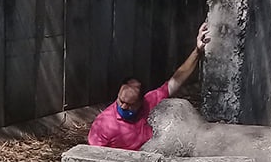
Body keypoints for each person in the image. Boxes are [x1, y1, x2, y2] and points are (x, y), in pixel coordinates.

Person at [87, 21, 211, 150]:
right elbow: (92, 156)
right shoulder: (103, 124)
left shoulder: (150, 102)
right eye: (121, 101)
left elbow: (177, 80)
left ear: (141, 101)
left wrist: (197, 51)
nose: (123, 107)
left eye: (130, 104)